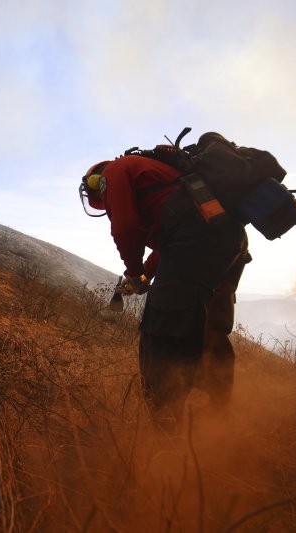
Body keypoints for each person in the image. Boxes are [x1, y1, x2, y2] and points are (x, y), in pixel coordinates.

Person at [79, 149, 251, 427]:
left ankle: (167, 428)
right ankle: (218, 418)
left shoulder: (116, 171)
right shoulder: (166, 177)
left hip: (196, 242)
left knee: (162, 332)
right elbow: (167, 246)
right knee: (210, 328)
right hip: (231, 242)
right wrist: (144, 274)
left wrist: (134, 272)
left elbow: (125, 228)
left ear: (95, 180)